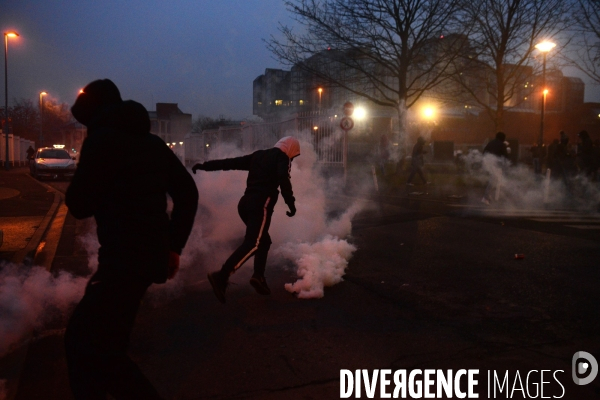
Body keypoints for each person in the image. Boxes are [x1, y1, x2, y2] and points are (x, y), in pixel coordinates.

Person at [64, 79, 198, 400]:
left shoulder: (102, 141)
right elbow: (188, 193)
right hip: (147, 258)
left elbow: (79, 204)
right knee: (107, 345)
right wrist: (174, 247)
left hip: (123, 260)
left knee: (86, 346)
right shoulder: (152, 143)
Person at [192, 136, 300, 304]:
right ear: (290, 149)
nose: (292, 159)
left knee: (263, 241)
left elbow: (230, 163)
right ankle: (221, 276)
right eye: (293, 156)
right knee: (254, 243)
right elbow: (283, 179)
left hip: (245, 204)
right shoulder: (282, 158)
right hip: (260, 205)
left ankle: (259, 278)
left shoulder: (258, 156)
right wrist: (291, 204)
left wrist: (205, 166)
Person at [481, 131, 509, 205]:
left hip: (489, 164)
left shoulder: (490, 143)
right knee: (493, 181)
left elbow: (484, 152)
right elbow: (505, 156)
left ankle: (488, 196)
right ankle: (485, 197)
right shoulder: (502, 145)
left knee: (494, 180)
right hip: (497, 165)